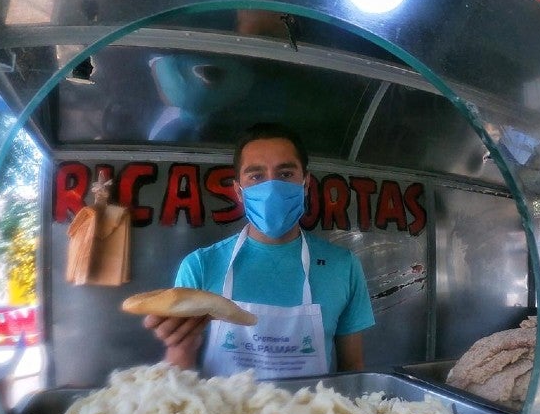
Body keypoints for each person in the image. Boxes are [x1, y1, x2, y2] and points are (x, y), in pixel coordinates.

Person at [144, 122, 374, 379]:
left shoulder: (344, 266)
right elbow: (178, 373)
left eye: (285, 174)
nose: (271, 187)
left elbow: (353, 372)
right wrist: (181, 345)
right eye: (256, 176)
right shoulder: (200, 265)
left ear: (306, 184)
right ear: (238, 191)